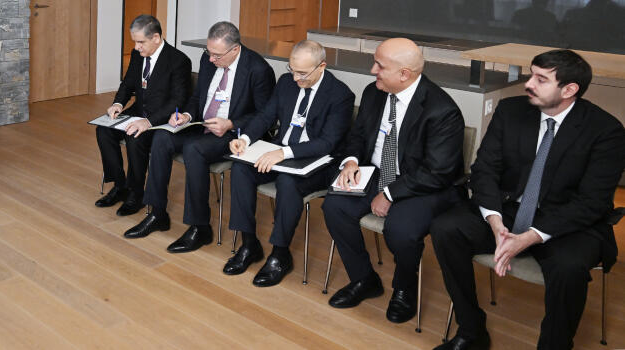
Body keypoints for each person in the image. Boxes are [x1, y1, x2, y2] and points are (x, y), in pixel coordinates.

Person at [431, 50, 625, 350]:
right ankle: (471, 330)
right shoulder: (511, 111)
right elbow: (485, 170)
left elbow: (591, 202)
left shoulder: (606, 131)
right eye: (531, 74)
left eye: (541, 79)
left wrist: (529, 237)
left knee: (569, 267)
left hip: (566, 221)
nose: (528, 84)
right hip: (510, 209)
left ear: (569, 90)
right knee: (446, 228)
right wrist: (495, 222)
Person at [322, 38, 464, 324]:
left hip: (425, 185)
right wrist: (351, 161)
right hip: (377, 171)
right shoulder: (374, 93)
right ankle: (364, 279)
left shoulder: (442, 110)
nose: (372, 70)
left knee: (401, 230)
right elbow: (357, 136)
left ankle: (404, 289)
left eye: (380, 66)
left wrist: (389, 193)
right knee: (335, 207)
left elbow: (437, 172)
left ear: (404, 74)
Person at [125, 21, 274, 253]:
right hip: (200, 125)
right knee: (162, 137)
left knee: (194, 149)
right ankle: (157, 213)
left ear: (235, 49)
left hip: (232, 134)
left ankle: (200, 227)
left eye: (217, 55)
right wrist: (185, 115)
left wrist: (231, 123)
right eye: (209, 52)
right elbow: (198, 98)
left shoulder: (258, 69)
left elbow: (265, 116)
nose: (211, 59)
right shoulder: (209, 59)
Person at [223, 40, 355, 286]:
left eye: (302, 73)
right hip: (280, 152)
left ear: (321, 66)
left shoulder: (340, 95)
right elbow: (266, 116)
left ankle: (280, 254)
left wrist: (284, 153)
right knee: (240, 168)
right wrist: (245, 138)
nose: (295, 78)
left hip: (317, 162)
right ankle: (249, 244)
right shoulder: (286, 83)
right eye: (292, 70)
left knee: (287, 182)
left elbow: (328, 142)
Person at [94, 14, 192, 216]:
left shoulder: (178, 61)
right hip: (139, 110)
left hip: (161, 117)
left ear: (156, 38)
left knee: (135, 137)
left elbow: (178, 100)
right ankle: (120, 185)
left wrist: (148, 122)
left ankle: (136, 193)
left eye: (141, 42)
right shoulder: (137, 54)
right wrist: (118, 104)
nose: (136, 47)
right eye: (135, 42)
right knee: (104, 130)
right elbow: (128, 83)